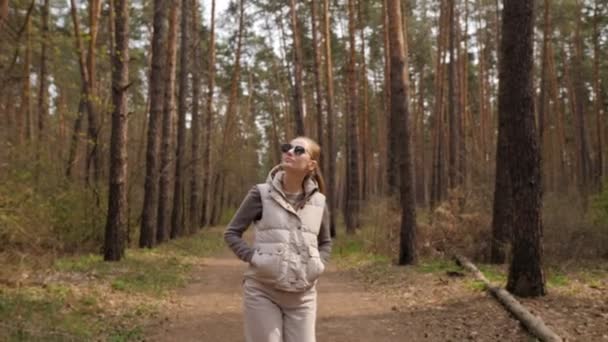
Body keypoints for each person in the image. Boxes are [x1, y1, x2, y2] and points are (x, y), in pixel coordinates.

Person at [224, 136, 332, 342]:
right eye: (286, 148)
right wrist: (255, 258)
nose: (290, 152)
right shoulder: (261, 194)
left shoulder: (319, 202)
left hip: (303, 296)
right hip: (262, 291)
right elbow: (231, 233)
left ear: (311, 164)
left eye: (299, 150)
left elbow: (325, 242)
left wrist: (318, 265)